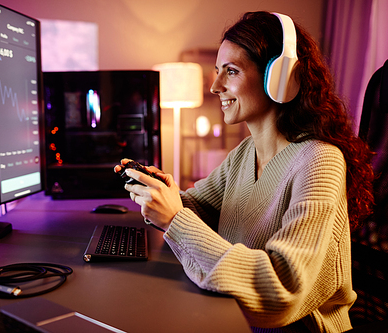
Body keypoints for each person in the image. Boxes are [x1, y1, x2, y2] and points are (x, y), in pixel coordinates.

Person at [114, 11, 374, 333]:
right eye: (217, 71)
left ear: (280, 78)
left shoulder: (320, 161)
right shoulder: (243, 154)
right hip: (230, 317)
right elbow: (197, 209)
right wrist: (160, 191)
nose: (215, 86)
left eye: (231, 71)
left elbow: (280, 291)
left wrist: (174, 218)